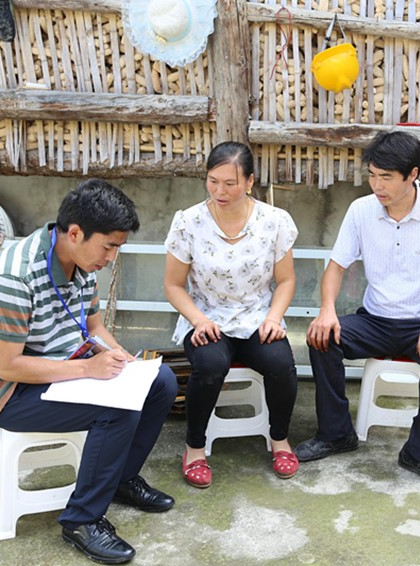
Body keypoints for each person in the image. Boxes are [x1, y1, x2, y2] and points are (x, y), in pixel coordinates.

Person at [0, 179, 178, 565]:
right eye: (109, 246)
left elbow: (93, 326)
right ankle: (82, 520)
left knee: (160, 382)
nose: (111, 258)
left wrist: (120, 357)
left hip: (62, 368)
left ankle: (120, 479)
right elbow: (8, 366)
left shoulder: (82, 261)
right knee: (116, 410)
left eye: (118, 247)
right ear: (76, 233)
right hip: (11, 392)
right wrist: (88, 368)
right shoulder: (14, 278)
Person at [294, 131, 420, 491]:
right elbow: (336, 267)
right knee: (321, 337)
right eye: (372, 175)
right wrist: (327, 310)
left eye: (386, 177)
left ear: (412, 175)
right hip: (375, 321)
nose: (376, 185)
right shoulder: (361, 210)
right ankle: (336, 434)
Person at [164, 141, 299, 488]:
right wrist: (198, 320)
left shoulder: (274, 221)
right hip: (207, 316)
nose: (219, 191)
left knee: (281, 363)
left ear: (250, 182)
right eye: (213, 181)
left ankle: (280, 440)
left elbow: (285, 281)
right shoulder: (188, 222)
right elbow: (173, 285)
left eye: (230, 183)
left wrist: (273, 318)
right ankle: (195, 448)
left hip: (257, 316)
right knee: (210, 365)